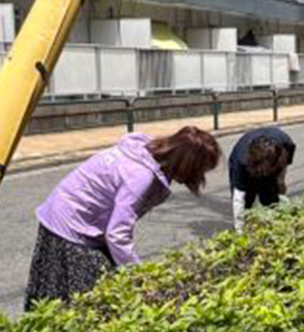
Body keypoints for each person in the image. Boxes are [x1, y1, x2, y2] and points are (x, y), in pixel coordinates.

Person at [24, 126, 221, 311]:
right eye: (202, 169)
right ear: (188, 164)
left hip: (75, 217)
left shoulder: (148, 152)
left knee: (87, 291)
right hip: (70, 224)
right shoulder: (140, 175)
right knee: (92, 297)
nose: (201, 175)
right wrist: (140, 276)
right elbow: (117, 234)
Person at [228, 126, 297, 231]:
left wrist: (280, 182)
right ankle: (247, 225)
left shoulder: (286, 143)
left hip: (271, 162)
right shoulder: (242, 162)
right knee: (247, 201)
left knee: (270, 199)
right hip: (246, 164)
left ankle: (274, 226)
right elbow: (238, 198)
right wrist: (240, 230)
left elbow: (285, 165)